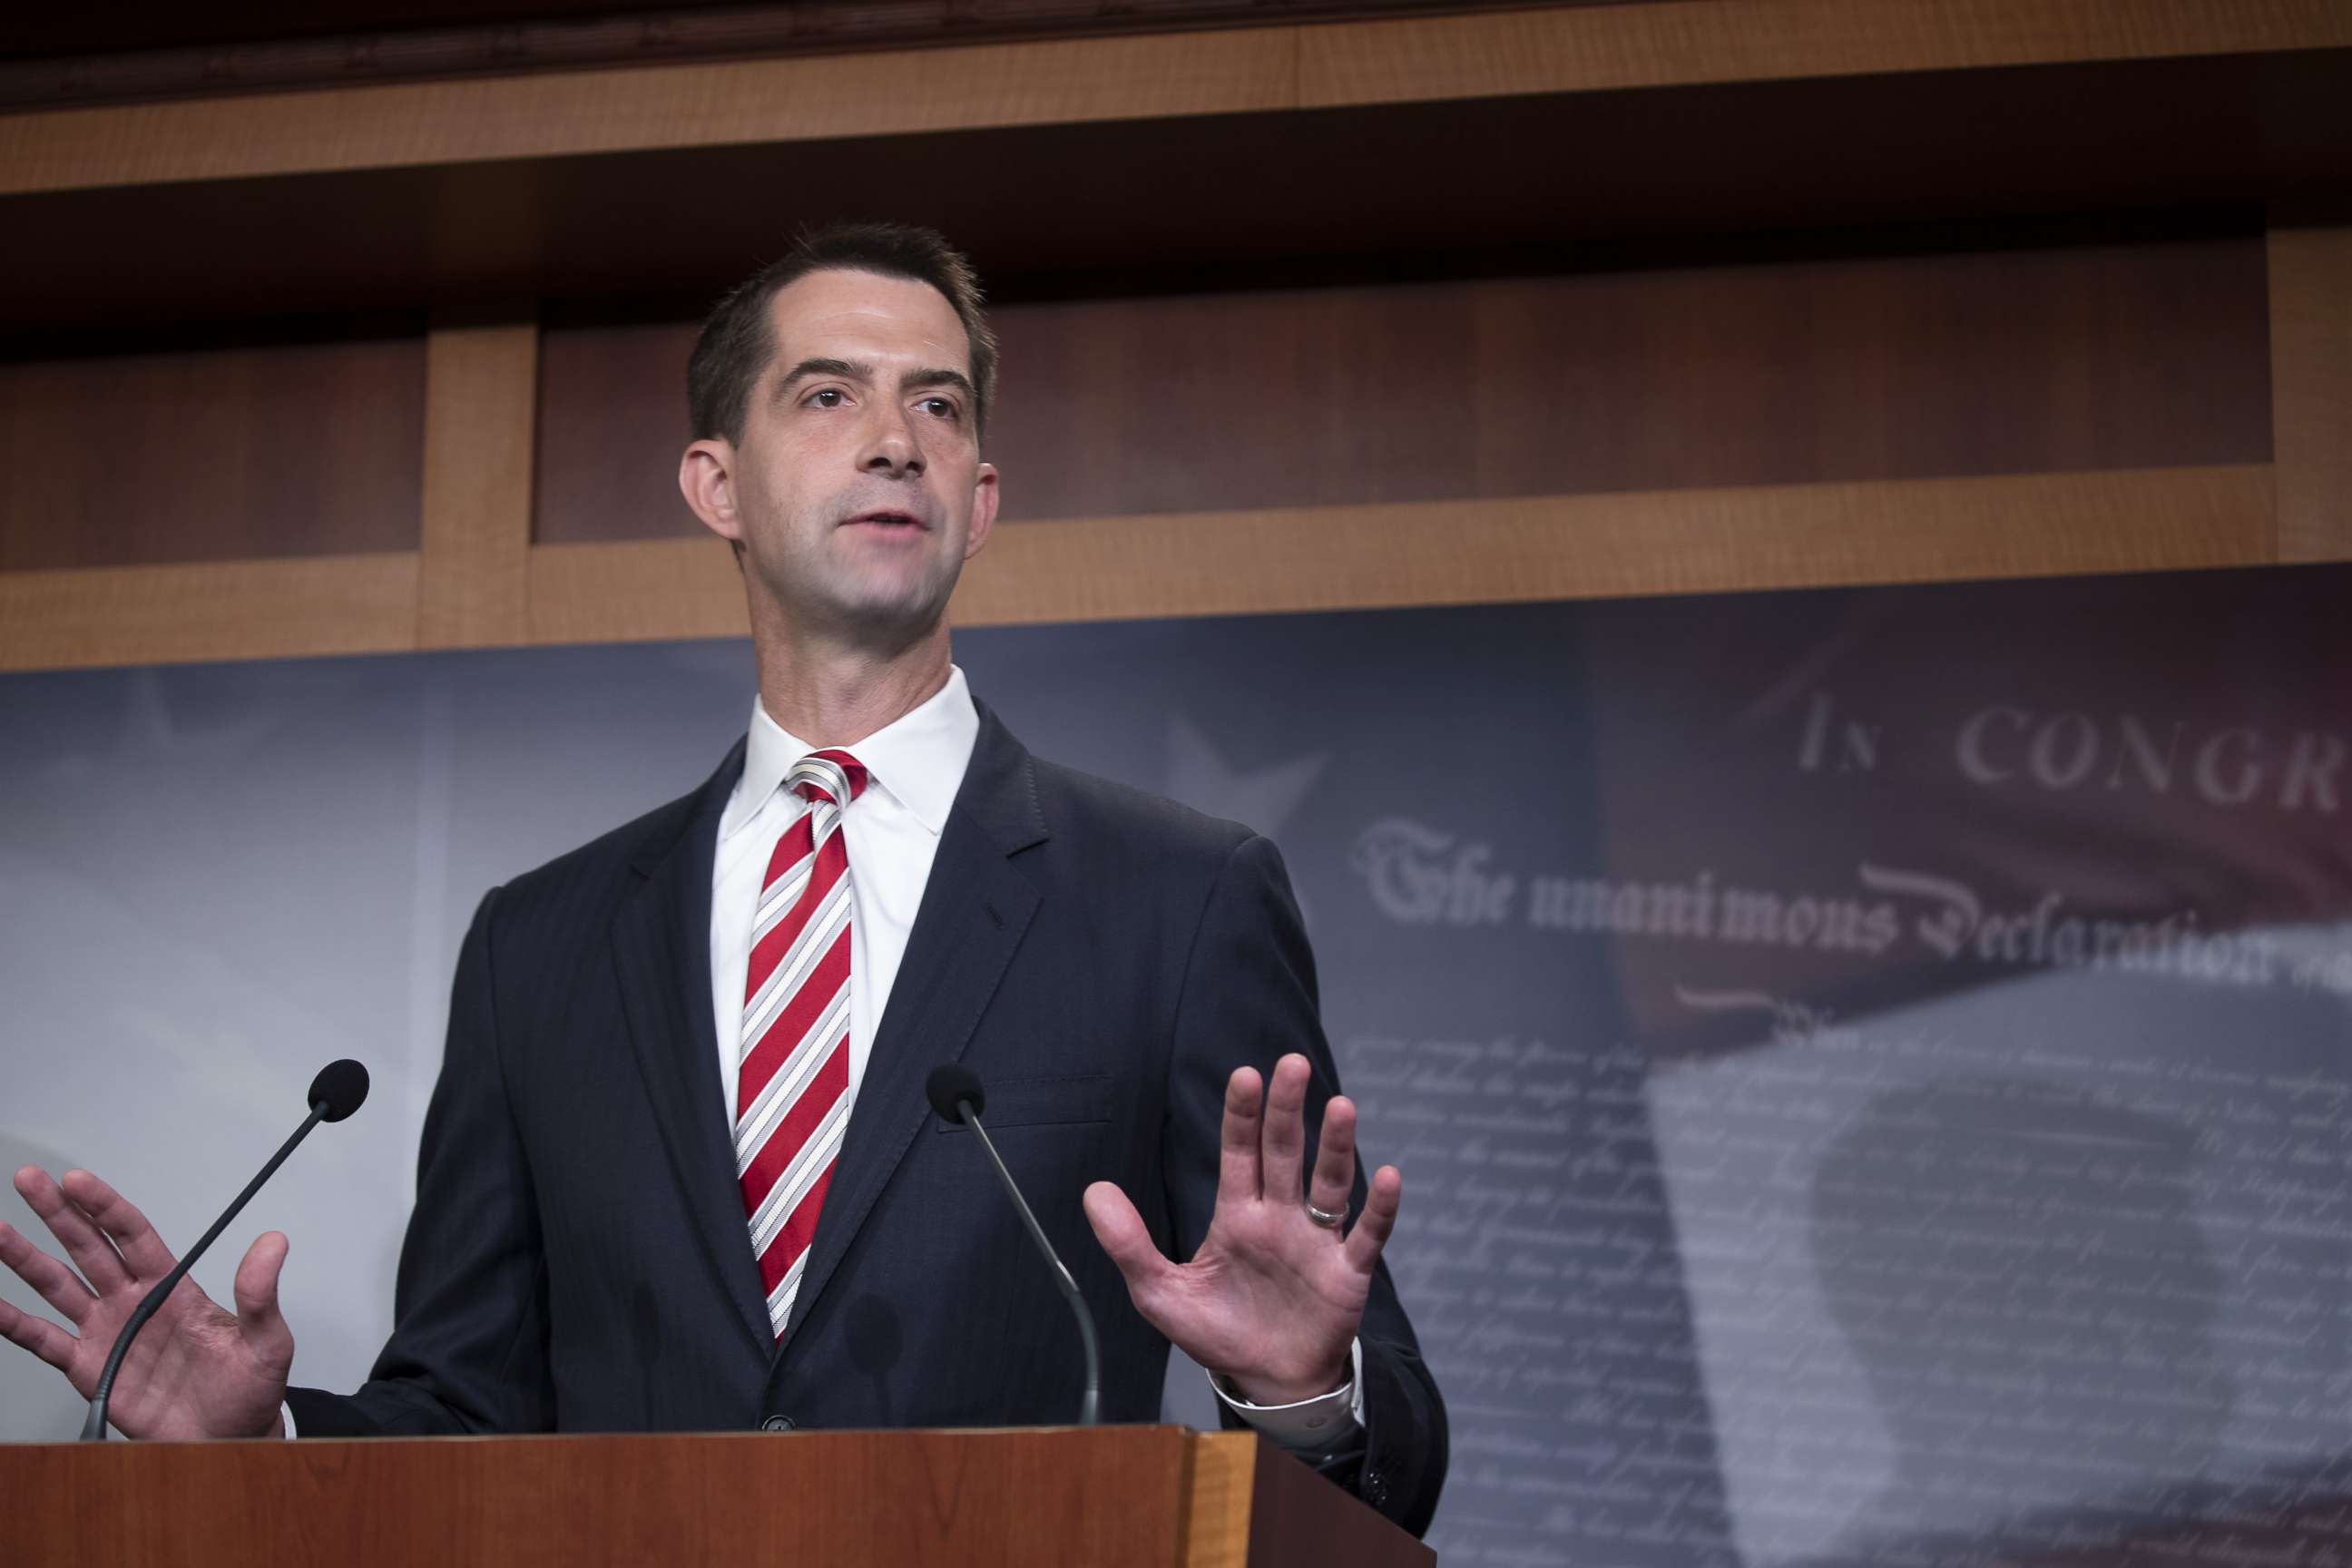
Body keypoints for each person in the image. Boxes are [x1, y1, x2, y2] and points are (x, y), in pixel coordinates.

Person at [0, 222, 1446, 1534]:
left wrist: (1304, 1392)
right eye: (829, 396)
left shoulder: (1177, 899)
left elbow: (1393, 1457)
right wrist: (261, 1442)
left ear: (982, 499)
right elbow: (466, 1411)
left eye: (937, 406)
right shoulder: (542, 943)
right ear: (716, 484)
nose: (895, 441)